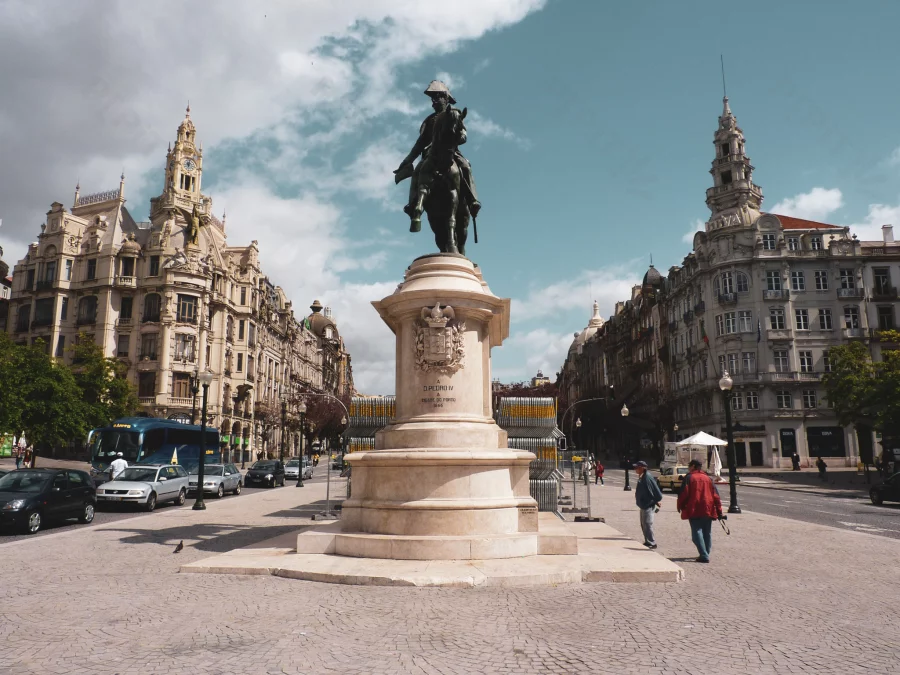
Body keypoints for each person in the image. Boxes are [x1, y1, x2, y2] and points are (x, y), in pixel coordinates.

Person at [676, 459, 724, 563]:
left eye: (689, 466)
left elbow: (683, 494)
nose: (689, 468)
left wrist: (679, 506)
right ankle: (705, 553)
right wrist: (719, 511)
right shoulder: (708, 478)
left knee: (696, 533)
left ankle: (704, 555)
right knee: (707, 533)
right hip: (708, 508)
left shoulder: (689, 477)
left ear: (693, 466)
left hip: (694, 508)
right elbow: (716, 496)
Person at [634, 460, 663, 549]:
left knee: (647, 523)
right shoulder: (642, 476)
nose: (635, 469)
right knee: (643, 523)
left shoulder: (647, 477)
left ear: (642, 468)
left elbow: (655, 492)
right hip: (643, 504)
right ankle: (648, 541)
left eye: (637, 467)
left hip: (648, 505)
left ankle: (652, 542)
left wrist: (656, 500)